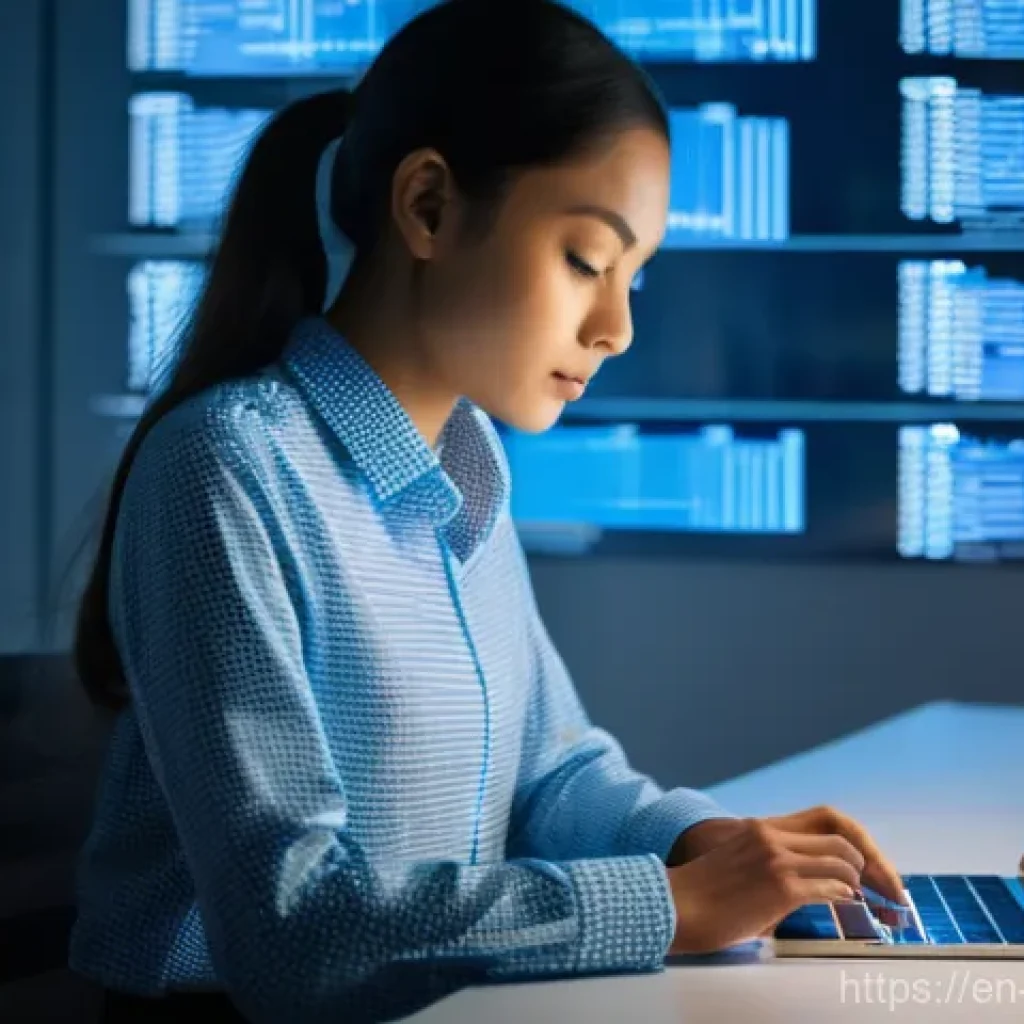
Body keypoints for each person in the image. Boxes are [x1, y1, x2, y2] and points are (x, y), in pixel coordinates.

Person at [68, 2, 907, 1021]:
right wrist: (665, 903)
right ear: (426, 205)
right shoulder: (224, 467)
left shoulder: (464, 475)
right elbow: (295, 930)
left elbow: (550, 777)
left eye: (636, 278)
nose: (617, 327)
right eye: (586, 261)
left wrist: (707, 849)